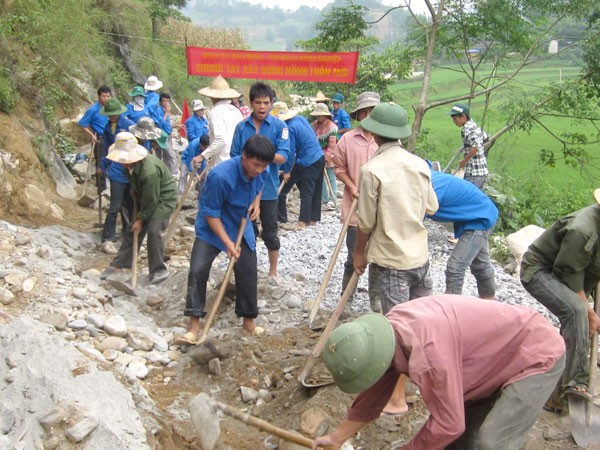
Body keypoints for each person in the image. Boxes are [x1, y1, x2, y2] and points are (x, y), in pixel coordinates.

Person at [312, 294, 566, 450]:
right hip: (489, 363)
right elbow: (373, 396)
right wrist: (337, 437)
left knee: (493, 443)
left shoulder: (430, 355)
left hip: (534, 354)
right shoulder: (387, 335)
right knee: (458, 444)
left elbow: (449, 424)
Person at [175, 135, 275, 345]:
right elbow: (211, 214)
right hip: (213, 226)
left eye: (263, 166)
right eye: (256, 164)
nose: (259, 170)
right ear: (244, 156)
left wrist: (256, 203)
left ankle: (248, 323)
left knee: (248, 270)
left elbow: (259, 189)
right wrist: (228, 244)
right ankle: (194, 325)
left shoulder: (262, 171)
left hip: (241, 223)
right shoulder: (220, 176)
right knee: (197, 270)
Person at [354, 102, 438, 315]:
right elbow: (432, 207)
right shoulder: (419, 164)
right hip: (420, 258)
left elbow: (365, 222)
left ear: (374, 132)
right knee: (421, 322)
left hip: (391, 262)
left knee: (398, 328)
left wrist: (358, 253)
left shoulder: (371, 170)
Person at [520, 190, 600, 410]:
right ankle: (575, 383)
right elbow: (567, 274)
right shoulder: (582, 230)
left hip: (579, 273)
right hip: (541, 270)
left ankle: (555, 387)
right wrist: (590, 314)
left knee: (580, 323)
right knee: (576, 312)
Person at [230, 82, 290, 279]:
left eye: (266, 102)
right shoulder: (241, 127)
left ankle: (273, 271)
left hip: (269, 188)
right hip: (245, 188)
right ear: (251, 103)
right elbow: (234, 156)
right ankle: (248, 270)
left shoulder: (280, 127)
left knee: (271, 232)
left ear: (272, 103)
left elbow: (283, 156)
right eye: (258, 102)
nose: (262, 107)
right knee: (247, 231)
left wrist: (260, 156)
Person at [101, 132, 177, 284]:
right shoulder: (128, 165)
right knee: (133, 229)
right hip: (146, 196)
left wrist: (141, 220)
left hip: (163, 199)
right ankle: (120, 264)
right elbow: (140, 189)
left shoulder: (149, 171)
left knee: (154, 230)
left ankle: (158, 269)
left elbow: (153, 200)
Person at [332, 91, 380, 308]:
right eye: (365, 112)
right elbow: (338, 167)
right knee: (354, 256)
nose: (369, 116)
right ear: (359, 115)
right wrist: (352, 186)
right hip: (355, 209)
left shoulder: (389, 140)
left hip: (382, 210)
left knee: (380, 259)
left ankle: (377, 302)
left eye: (374, 112)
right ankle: (345, 300)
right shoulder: (348, 140)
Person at [428, 167, 498, 298]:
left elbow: (413, 218)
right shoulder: (424, 173)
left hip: (481, 217)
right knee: (481, 264)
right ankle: (489, 301)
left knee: (455, 267)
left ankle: (453, 310)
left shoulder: (431, 188)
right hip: (473, 215)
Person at [273, 102, 325, 229]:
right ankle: (313, 218)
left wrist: (286, 171)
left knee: (306, 191)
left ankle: (302, 221)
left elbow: (290, 153)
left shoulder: (289, 128)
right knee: (315, 189)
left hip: (309, 160)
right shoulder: (300, 118)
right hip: (318, 155)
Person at [98, 98, 135, 254]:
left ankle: (129, 232)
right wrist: (102, 165)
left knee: (130, 203)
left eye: (113, 114)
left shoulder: (128, 126)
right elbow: (107, 149)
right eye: (109, 115)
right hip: (116, 172)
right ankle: (108, 237)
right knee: (114, 205)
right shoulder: (107, 128)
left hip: (130, 171)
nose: (111, 117)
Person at [192, 75, 243, 169]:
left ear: (212, 97)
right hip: (237, 160)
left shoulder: (215, 112)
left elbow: (221, 140)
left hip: (222, 162)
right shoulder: (236, 111)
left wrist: (202, 156)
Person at [78, 85, 111, 192]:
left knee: (110, 160)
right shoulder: (93, 110)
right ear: (99, 96)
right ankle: (101, 189)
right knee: (100, 163)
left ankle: (108, 184)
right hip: (99, 138)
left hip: (109, 137)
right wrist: (91, 135)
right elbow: (82, 124)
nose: (106, 98)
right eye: (104, 96)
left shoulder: (110, 108)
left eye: (108, 96)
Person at [449, 103, 488, 190]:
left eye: (455, 119)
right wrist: (465, 146)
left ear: (463, 117)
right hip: (481, 172)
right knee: (474, 198)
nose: (454, 122)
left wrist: (464, 161)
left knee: (468, 198)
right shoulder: (474, 125)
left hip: (474, 172)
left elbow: (476, 146)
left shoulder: (467, 128)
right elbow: (485, 137)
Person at [310, 103, 338, 210]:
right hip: (317, 153)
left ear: (326, 115)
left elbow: (332, 145)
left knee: (331, 176)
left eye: (320, 115)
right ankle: (324, 198)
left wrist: (327, 157)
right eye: (317, 115)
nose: (318, 117)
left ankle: (332, 198)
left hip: (329, 154)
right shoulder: (314, 125)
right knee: (319, 177)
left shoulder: (332, 127)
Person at [149, 93, 177, 176]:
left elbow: (167, 125)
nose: (166, 103)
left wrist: (174, 126)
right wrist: (166, 114)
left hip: (168, 135)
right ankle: (173, 174)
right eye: (164, 101)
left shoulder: (166, 111)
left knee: (166, 157)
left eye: (168, 101)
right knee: (171, 156)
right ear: (160, 102)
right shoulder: (158, 111)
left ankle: (166, 173)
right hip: (161, 137)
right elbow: (159, 124)